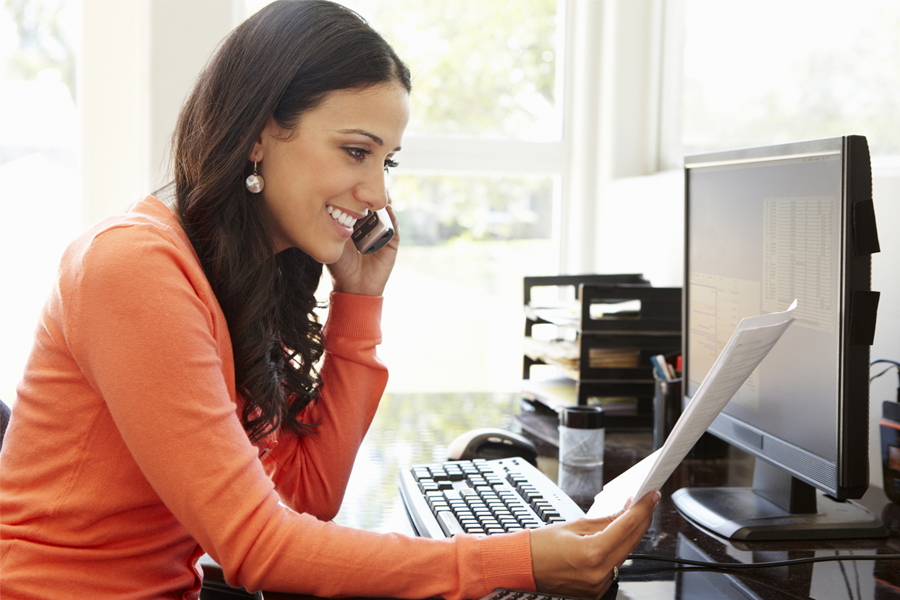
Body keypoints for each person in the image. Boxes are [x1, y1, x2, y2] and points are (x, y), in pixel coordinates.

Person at [0, 1, 658, 598]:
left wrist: (359, 302)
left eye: (386, 162)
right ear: (259, 133)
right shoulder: (135, 268)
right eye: (355, 151)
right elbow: (257, 546)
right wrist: (511, 559)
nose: (376, 192)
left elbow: (306, 497)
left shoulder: (247, 271)